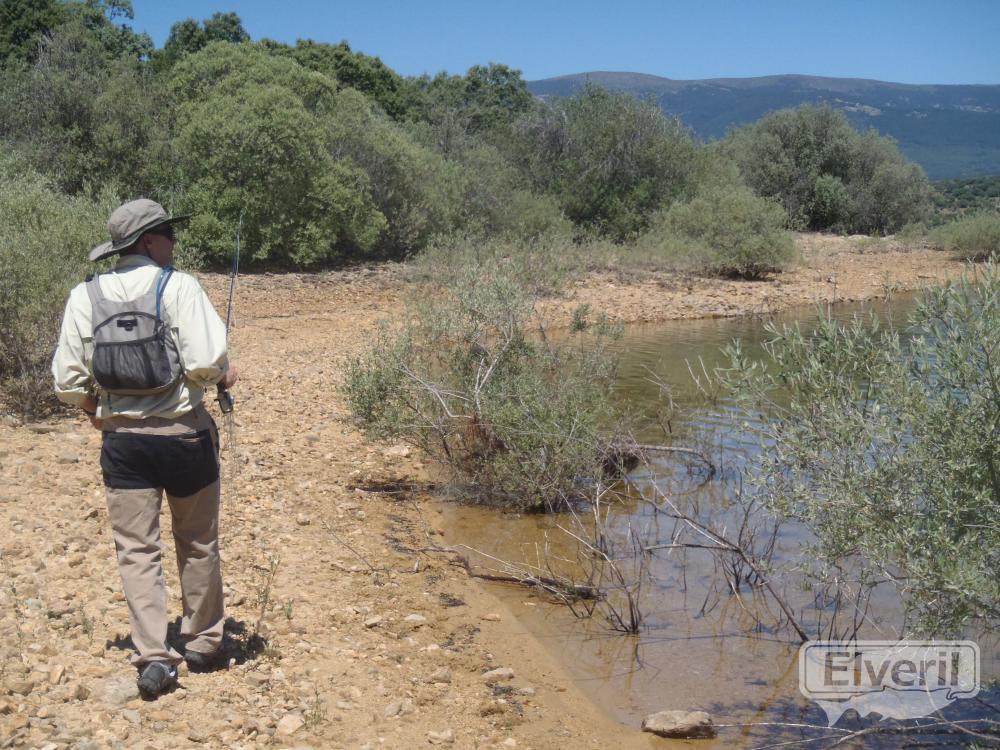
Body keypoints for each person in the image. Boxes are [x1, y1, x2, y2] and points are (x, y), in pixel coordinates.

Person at [52, 199, 238, 698]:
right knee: (197, 540)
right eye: (168, 234)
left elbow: (66, 382)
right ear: (149, 242)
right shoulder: (180, 286)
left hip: (123, 443)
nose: (174, 242)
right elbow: (205, 363)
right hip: (185, 436)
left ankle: (154, 654)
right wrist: (223, 375)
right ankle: (202, 642)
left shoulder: (85, 294)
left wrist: (95, 408)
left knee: (136, 549)